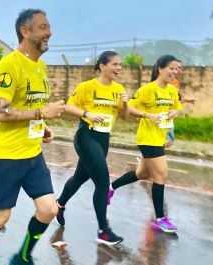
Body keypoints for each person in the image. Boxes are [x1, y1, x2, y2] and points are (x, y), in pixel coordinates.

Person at [0, 9, 65, 265]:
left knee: (48, 209)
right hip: (6, 156)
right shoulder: (9, 65)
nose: (50, 32)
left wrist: (42, 125)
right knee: (1, 217)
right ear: (26, 31)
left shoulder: (41, 66)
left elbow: (30, 105)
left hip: (33, 154)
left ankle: (23, 255)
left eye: (49, 26)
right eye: (43, 27)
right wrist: (42, 112)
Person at [54, 51, 128, 246]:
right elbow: (69, 107)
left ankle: (59, 204)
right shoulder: (87, 87)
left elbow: (126, 116)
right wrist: (88, 113)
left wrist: (126, 103)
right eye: (115, 64)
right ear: (102, 66)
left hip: (104, 139)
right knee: (103, 183)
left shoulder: (119, 89)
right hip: (86, 136)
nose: (119, 68)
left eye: (121, 65)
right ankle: (103, 230)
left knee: (80, 177)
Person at [108, 55, 182, 233]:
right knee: (161, 175)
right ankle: (160, 219)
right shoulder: (147, 89)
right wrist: (148, 116)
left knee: (141, 173)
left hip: (160, 138)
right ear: (160, 68)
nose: (175, 72)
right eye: (172, 68)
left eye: (177, 69)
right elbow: (129, 108)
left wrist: (174, 111)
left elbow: (178, 107)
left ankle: (110, 188)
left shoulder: (172, 90)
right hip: (147, 139)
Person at [165, 60, 196, 148]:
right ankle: (149, 158)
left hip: (170, 114)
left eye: (179, 68)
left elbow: (176, 100)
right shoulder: (165, 81)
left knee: (167, 141)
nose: (177, 70)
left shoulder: (175, 82)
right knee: (168, 141)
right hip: (163, 113)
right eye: (174, 68)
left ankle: (147, 158)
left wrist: (186, 100)